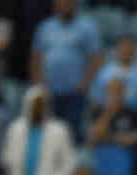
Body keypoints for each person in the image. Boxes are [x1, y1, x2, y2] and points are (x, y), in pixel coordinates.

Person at [30, 0, 103, 140]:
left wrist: (86, 84)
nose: (64, 5)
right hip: (49, 93)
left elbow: (96, 59)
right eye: (61, 3)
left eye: (68, 2)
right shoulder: (45, 27)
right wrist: (38, 84)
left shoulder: (87, 27)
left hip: (75, 93)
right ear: (55, 5)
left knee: (71, 134)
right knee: (48, 134)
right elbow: (36, 58)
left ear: (75, 4)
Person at [1, 85, 75, 175]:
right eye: (35, 104)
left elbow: (69, 163)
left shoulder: (59, 130)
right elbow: (6, 157)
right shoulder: (15, 129)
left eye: (41, 104)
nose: (38, 108)